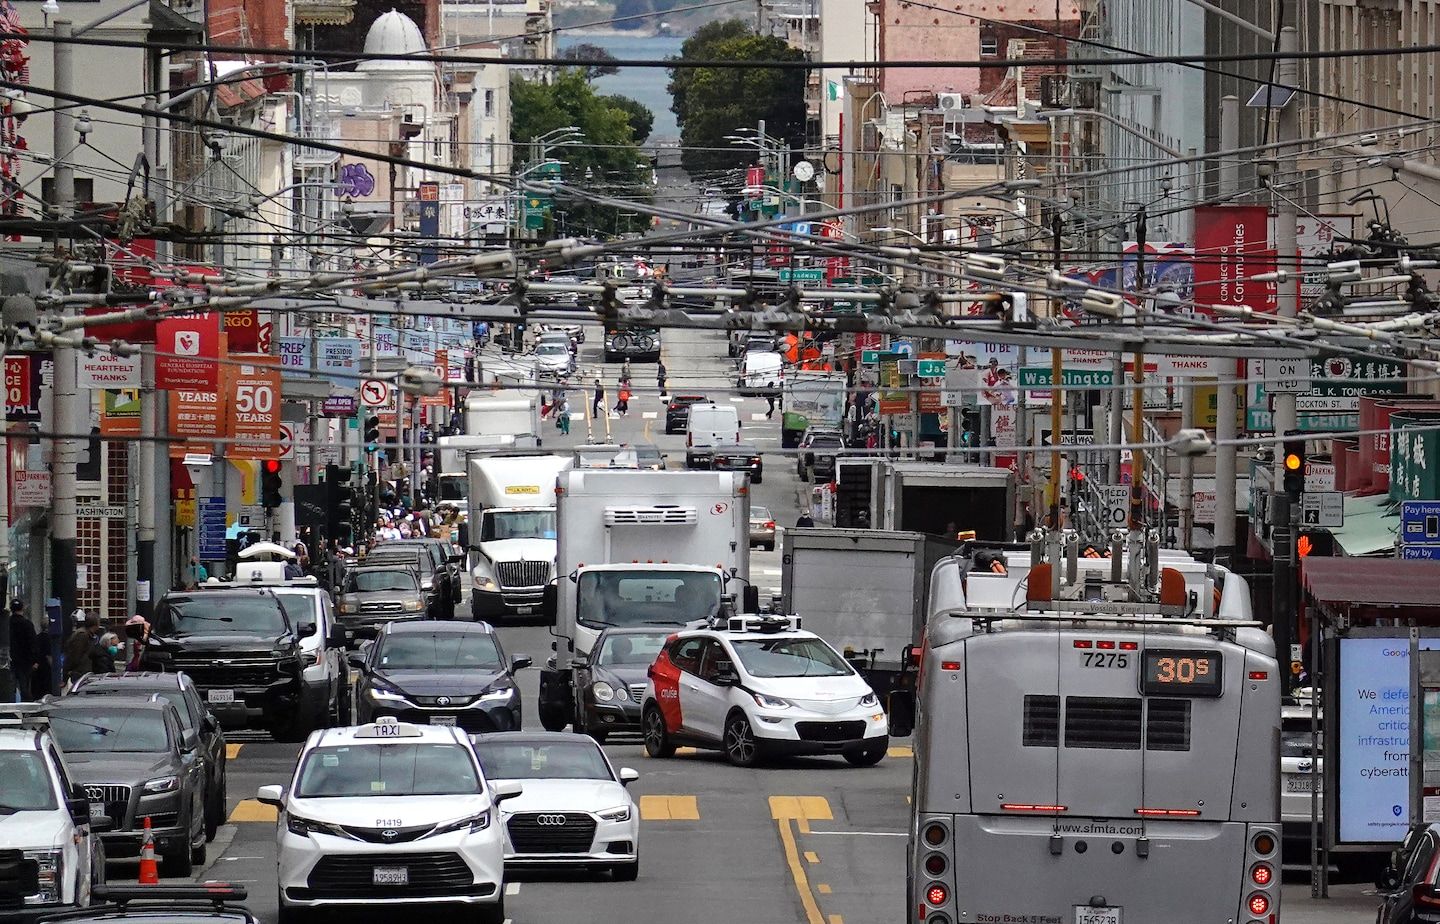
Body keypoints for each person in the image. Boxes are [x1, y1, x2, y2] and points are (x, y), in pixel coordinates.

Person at [9, 600, 35, 702]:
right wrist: (34, 660)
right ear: (22, 608)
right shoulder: (27, 624)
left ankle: (10, 709)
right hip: (25, 662)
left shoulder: (7, 623)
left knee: (10, 688)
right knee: (25, 688)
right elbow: (32, 642)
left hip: (10, 660)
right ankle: (26, 710)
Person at [63, 611, 99, 685]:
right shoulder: (82, 635)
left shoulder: (88, 635)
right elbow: (75, 655)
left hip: (83, 672)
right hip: (79, 672)